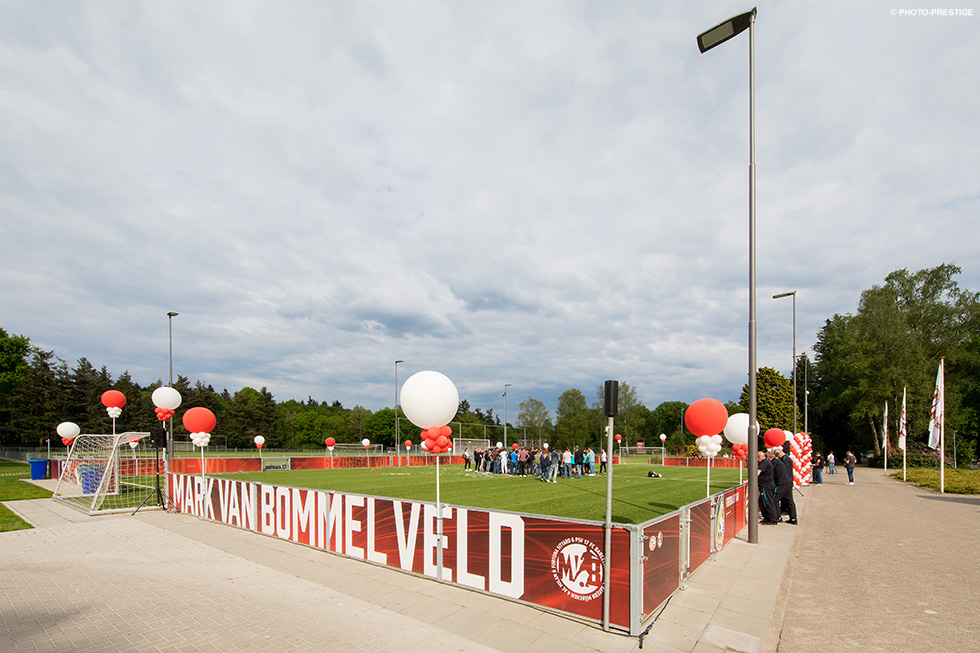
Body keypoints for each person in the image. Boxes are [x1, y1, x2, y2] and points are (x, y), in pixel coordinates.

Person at [773, 448, 798, 524]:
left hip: (784, 482)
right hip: (788, 481)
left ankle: (777, 517)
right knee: (789, 500)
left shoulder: (785, 460)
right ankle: (793, 518)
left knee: (775, 499)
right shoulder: (787, 458)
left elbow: (783, 471)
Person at [757, 450, 778, 524]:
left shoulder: (764, 463)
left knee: (767, 502)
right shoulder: (766, 462)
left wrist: (748, 480)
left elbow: (758, 472)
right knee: (761, 502)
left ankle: (772, 519)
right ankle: (767, 517)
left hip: (766, 486)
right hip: (765, 485)